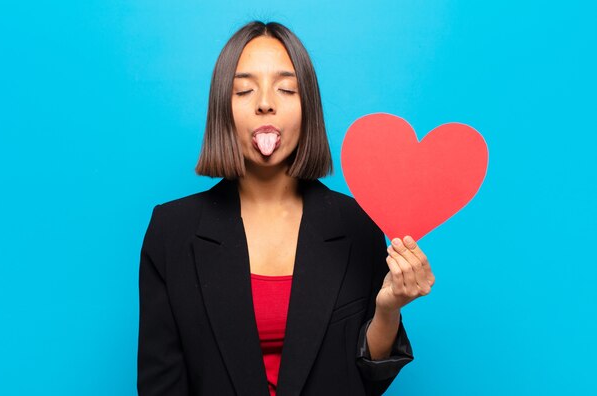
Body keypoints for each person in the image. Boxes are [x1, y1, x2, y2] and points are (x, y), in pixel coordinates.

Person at [137, 20, 435, 396]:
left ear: (307, 106)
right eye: (244, 90)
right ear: (221, 111)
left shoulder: (358, 223)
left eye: (286, 88)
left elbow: (366, 376)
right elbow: (160, 384)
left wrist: (389, 308)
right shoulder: (172, 231)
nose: (266, 103)